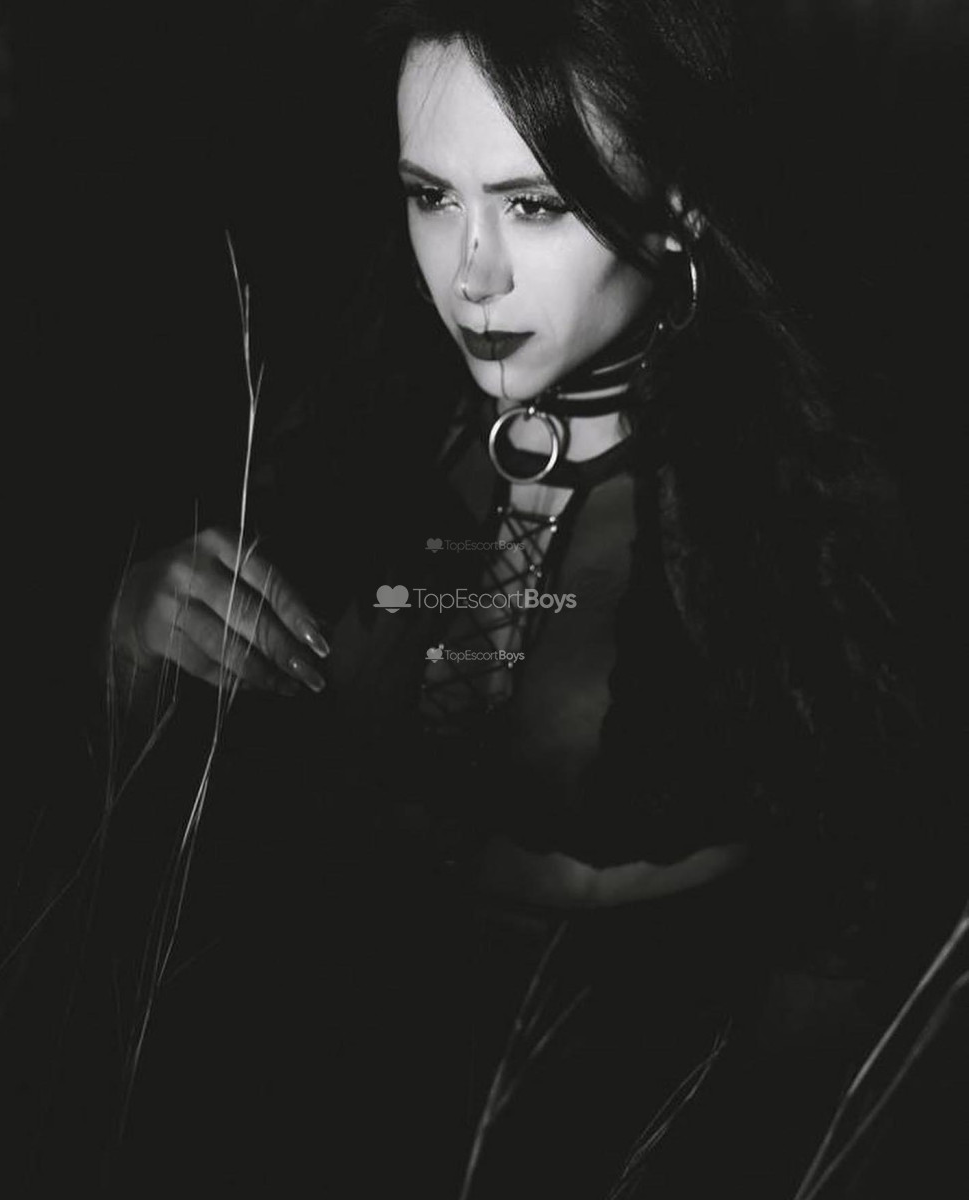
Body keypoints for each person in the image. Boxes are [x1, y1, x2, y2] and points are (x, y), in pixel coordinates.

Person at [104, 1, 923, 1196]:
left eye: (534, 205)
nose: (469, 273)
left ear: (679, 201)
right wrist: (137, 634)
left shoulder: (797, 509)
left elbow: (844, 953)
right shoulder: (370, 421)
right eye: (430, 195)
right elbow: (183, 834)